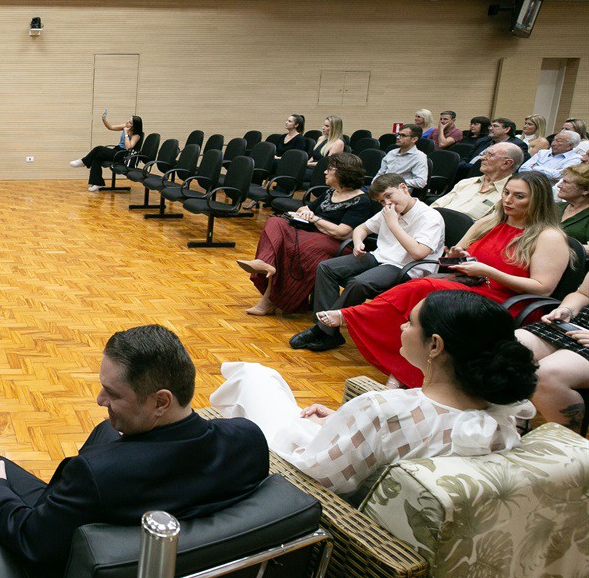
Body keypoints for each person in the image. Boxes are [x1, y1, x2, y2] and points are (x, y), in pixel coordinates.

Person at [0, 325, 268, 578]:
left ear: (161, 401)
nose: (99, 400)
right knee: (107, 429)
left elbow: (31, 539)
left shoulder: (96, 475)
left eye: (113, 393)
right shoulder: (248, 439)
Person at [213, 291, 536, 502]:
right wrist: (342, 422)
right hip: (358, 466)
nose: (400, 327)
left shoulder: (383, 410)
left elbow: (311, 479)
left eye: (409, 322)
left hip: (300, 478)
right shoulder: (504, 416)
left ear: (435, 346)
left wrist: (349, 423)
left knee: (256, 377)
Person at [319, 172, 568, 388]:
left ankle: (354, 316)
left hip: (507, 303)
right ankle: (401, 370)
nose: (508, 200)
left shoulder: (548, 236)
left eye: (518, 196)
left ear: (538, 200)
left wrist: (489, 271)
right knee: (420, 303)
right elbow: (454, 252)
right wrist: (460, 255)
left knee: (425, 289)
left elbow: (543, 288)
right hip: (473, 286)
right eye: (506, 193)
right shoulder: (489, 223)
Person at [289, 174, 444, 352]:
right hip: (380, 256)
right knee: (326, 267)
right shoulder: (388, 210)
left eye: (389, 195)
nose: (386, 203)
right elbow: (361, 228)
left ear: (403, 188)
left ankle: (322, 330)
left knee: (359, 283)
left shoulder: (430, 216)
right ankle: (327, 330)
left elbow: (418, 253)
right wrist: (358, 242)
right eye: (381, 201)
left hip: (405, 267)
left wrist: (393, 224)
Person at [237, 153, 375, 316]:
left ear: (342, 173)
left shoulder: (361, 200)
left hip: (336, 244)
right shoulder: (332, 192)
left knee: (295, 248)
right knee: (275, 222)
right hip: (313, 232)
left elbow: (341, 232)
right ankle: (265, 262)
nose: (325, 172)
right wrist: (307, 213)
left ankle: (271, 300)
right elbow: (305, 209)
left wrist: (315, 219)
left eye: (329, 169)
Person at [517, 270, 589, 433]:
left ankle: (568, 445)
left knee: (546, 375)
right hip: (582, 322)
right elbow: (584, 294)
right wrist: (567, 309)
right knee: (510, 349)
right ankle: (517, 426)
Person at [430, 141, 521, 220]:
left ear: (506, 163)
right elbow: (435, 206)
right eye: (484, 153)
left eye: (490, 155)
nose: (482, 158)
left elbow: (488, 229)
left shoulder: (509, 196)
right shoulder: (466, 182)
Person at [72, 113, 142, 192]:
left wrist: (126, 134)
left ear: (134, 125)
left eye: (130, 123)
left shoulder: (136, 135)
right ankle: (97, 183)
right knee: (96, 158)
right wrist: (104, 119)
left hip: (122, 155)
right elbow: (110, 127)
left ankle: (84, 161)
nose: (128, 123)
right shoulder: (126, 126)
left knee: (99, 149)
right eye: (128, 121)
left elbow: (128, 147)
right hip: (117, 150)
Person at [458, 117, 528, 180]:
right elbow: (467, 158)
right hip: (465, 171)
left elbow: (510, 169)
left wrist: (466, 167)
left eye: (495, 126)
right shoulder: (483, 141)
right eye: (491, 126)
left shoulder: (516, 145)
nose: (490, 128)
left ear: (507, 129)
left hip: (486, 175)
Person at [377, 124, 428, 188]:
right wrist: (373, 185)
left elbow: (421, 182)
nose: (398, 137)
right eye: (398, 134)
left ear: (414, 139)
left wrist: (394, 183)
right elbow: (380, 174)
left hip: (398, 191)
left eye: (403, 135)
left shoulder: (419, 156)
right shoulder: (391, 153)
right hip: (382, 188)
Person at [554, 163, 589, 249]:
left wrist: (559, 248)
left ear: (585, 190)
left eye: (566, 182)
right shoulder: (556, 207)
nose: (559, 185)